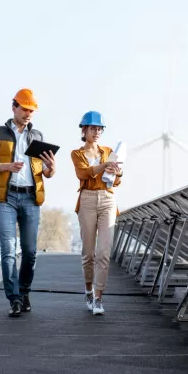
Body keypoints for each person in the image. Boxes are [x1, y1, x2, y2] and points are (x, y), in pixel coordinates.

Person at [0, 89, 56, 317]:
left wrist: (51, 168)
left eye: (31, 110)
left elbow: (46, 172)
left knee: (31, 251)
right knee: (8, 250)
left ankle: (24, 293)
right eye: (24, 109)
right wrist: (7, 166)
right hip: (6, 197)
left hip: (31, 197)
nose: (28, 114)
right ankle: (13, 298)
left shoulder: (38, 136)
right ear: (14, 107)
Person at [70, 111, 123, 315]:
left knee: (104, 253)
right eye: (93, 128)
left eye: (99, 128)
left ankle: (99, 297)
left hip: (108, 199)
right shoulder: (77, 153)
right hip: (87, 200)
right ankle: (88, 290)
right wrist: (104, 166)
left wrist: (117, 173)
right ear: (84, 130)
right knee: (89, 253)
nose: (97, 132)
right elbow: (83, 173)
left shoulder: (108, 151)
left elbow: (116, 181)